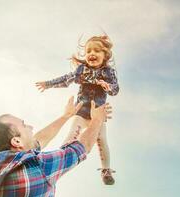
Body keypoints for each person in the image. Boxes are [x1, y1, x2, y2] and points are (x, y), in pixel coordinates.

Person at [0, 97, 111, 197]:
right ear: (16, 141)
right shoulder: (36, 167)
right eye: (24, 125)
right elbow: (82, 147)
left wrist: (65, 116)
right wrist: (98, 119)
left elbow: (37, 141)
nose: (31, 127)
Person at [35, 35, 119, 185]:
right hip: (81, 110)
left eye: (97, 51)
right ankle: (60, 160)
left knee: (101, 140)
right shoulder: (81, 70)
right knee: (72, 133)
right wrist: (48, 84)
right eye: (88, 51)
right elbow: (65, 79)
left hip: (97, 113)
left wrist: (108, 87)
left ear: (105, 55)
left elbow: (115, 89)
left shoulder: (108, 72)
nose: (92, 53)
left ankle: (106, 169)